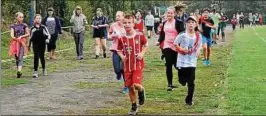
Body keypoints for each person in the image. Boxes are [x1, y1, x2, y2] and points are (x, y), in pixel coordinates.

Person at [117, 14, 148, 115]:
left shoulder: (139, 35)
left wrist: (142, 53)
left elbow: (145, 45)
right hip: (127, 66)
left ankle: (141, 90)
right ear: (122, 24)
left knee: (136, 84)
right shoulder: (121, 38)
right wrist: (121, 56)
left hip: (137, 65)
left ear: (133, 24)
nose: (127, 25)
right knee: (130, 87)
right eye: (125, 23)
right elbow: (118, 49)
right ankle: (134, 106)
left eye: (129, 22)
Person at [174, 16, 202, 106]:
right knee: (182, 81)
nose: (191, 24)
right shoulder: (182, 35)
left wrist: (198, 51)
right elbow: (175, 44)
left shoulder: (198, 36)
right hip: (182, 61)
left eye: (193, 22)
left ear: (196, 24)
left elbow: (199, 46)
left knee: (191, 82)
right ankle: (183, 80)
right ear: (185, 24)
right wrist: (181, 49)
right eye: (189, 22)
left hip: (192, 62)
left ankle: (189, 99)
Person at [158, 7, 185, 91]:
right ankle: (170, 84)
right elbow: (162, 34)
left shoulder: (178, 22)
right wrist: (159, 41)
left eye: (171, 13)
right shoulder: (164, 23)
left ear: (174, 14)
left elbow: (182, 33)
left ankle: (182, 78)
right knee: (168, 65)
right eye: (168, 13)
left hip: (176, 46)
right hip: (167, 46)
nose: (169, 14)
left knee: (177, 66)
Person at [108, 11, 128, 94]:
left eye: (119, 16)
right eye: (116, 16)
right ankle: (118, 73)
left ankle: (126, 86)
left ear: (123, 17)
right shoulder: (113, 25)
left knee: (124, 69)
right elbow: (108, 36)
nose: (117, 18)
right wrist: (113, 36)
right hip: (115, 49)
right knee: (117, 68)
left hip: (125, 50)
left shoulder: (127, 26)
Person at [9, 12, 30, 78]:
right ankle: (19, 70)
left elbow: (28, 34)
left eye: (22, 17)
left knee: (20, 56)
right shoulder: (13, 26)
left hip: (22, 42)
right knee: (17, 57)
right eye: (20, 17)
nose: (21, 18)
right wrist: (14, 37)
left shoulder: (24, 25)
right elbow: (12, 34)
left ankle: (19, 71)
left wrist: (21, 36)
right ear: (16, 17)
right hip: (15, 42)